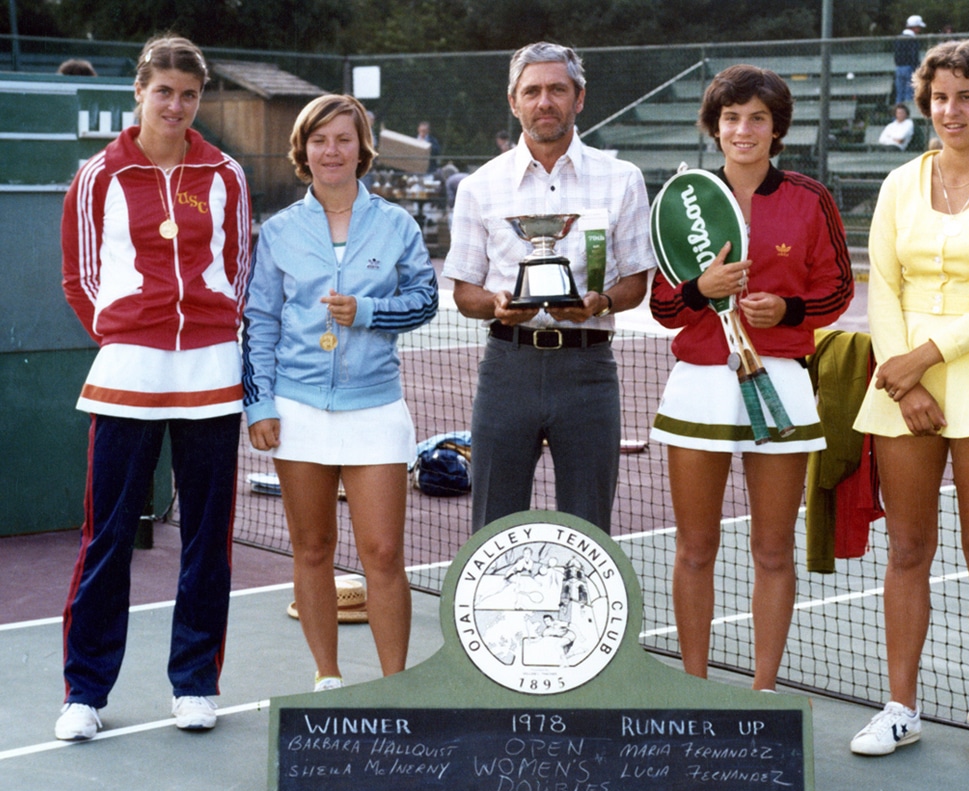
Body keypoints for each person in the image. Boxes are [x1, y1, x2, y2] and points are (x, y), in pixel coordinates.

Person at [851, 40, 969, 769]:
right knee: (907, 550)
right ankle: (900, 709)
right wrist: (904, 383)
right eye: (939, 97)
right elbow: (885, 285)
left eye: (965, 96)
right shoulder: (899, 182)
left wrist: (920, 361)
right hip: (902, 388)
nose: (950, 110)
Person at [57, 34, 251, 742]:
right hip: (128, 372)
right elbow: (80, 278)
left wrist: (207, 333)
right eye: (163, 91)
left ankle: (194, 682)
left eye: (189, 94)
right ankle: (85, 691)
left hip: (210, 372)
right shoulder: (97, 176)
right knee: (107, 534)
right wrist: (128, 337)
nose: (175, 105)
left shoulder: (225, 173)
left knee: (207, 535)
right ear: (139, 92)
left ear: (200, 99)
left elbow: (239, 268)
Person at [648, 64, 854, 689]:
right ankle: (694, 688)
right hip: (700, 383)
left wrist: (786, 310)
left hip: (780, 381)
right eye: (732, 117)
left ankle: (764, 692)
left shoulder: (810, 198)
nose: (744, 130)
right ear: (714, 127)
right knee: (695, 547)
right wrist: (700, 288)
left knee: (772, 549)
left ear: (776, 128)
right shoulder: (682, 199)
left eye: (758, 118)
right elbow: (663, 308)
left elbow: (838, 289)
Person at [242, 94, 438, 691]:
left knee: (383, 553)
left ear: (362, 149)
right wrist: (260, 403)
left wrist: (370, 311)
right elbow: (259, 321)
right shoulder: (279, 230)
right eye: (320, 140)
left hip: (376, 409)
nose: (332, 151)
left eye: (344, 139)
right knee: (312, 549)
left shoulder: (397, 224)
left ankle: (394, 687)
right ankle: (327, 677)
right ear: (303, 150)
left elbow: (425, 300)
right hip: (297, 411)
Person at [443, 41, 655, 535]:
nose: (545, 102)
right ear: (513, 101)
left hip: (588, 369)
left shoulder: (623, 179)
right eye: (532, 91)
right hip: (507, 368)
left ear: (579, 98)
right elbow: (465, 293)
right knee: (494, 526)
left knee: (588, 527)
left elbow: (635, 283)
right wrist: (496, 304)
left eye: (557, 90)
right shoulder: (478, 186)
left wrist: (600, 302)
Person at [894, 15, 926, 105]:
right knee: (909, 93)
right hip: (909, 68)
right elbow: (914, 56)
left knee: (900, 94)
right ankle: (908, 111)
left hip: (899, 68)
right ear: (915, 27)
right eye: (918, 27)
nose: (919, 30)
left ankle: (898, 110)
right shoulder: (912, 39)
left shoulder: (899, 38)